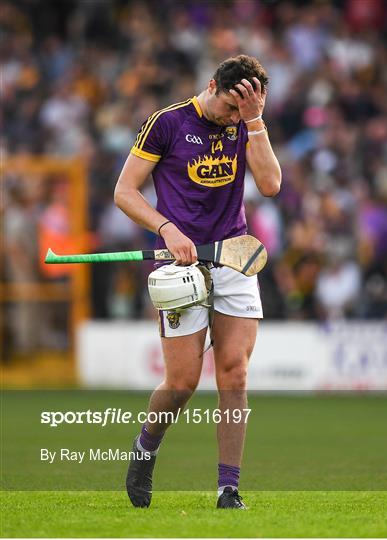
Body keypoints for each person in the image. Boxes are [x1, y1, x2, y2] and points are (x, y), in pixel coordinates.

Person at [114, 55, 281, 509]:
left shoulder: (248, 121)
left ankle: (229, 489)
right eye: (229, 107)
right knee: (183, 383)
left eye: (240, 112)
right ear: (211, 85)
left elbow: (269, 185)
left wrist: (255, 121)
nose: (232, 118)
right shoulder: (166, 123)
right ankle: (146, 447)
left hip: (233, 255)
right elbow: (124, 191)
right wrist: (167, 228)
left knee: (235, 373)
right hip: (179, 263)